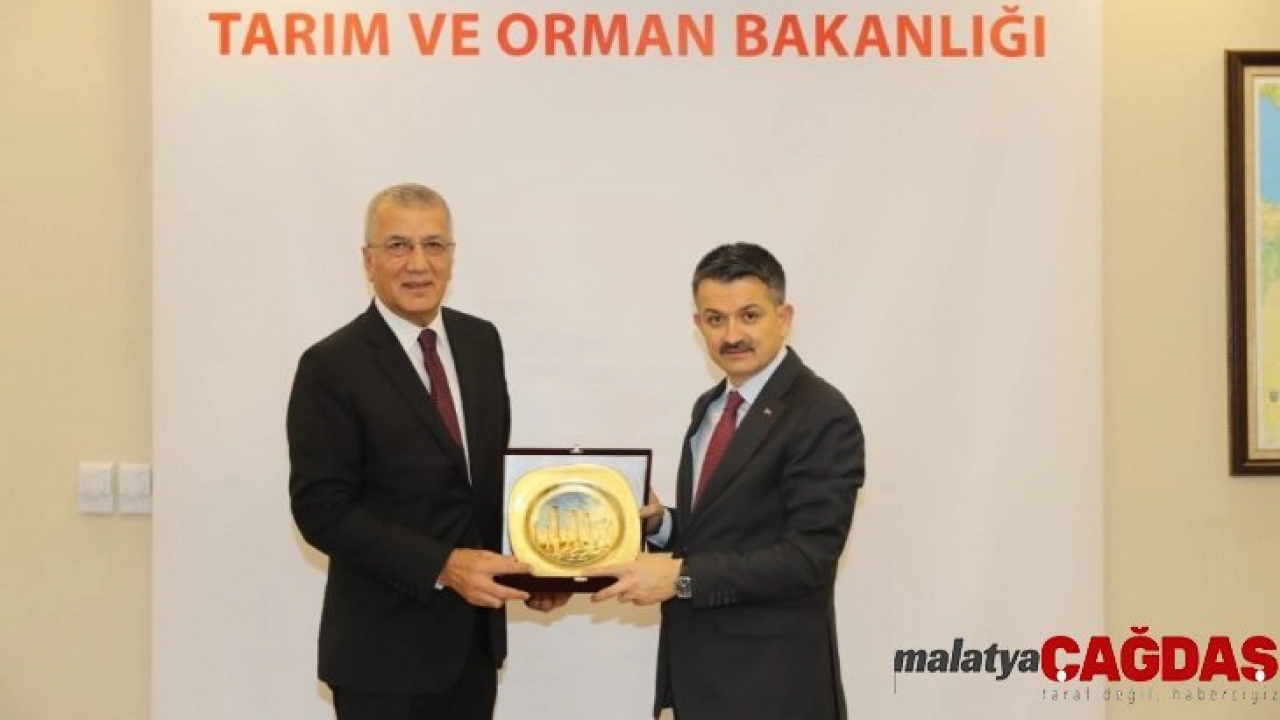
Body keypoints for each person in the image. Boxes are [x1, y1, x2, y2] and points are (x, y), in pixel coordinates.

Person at [287, 183, 567, 720]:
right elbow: (322, 511)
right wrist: (443, 566)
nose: (418, 263)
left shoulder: (481, 342)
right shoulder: (331, 366)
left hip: (473, 652)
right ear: (368, 261)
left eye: (434, 245)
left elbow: (486, 483)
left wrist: (532, 568)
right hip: (382, 659)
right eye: (398, 246)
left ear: (452, 256)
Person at [585, 242, 866, 720]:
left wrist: (680, 576)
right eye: (716, 319)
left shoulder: (822, 413)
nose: (732, 335)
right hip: (698, 681)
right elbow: (725, 530)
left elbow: (809, 558)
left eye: (749, 316)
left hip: (772, 688)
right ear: (698, 325)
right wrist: (661, 525)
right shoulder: (711, 407)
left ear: (784, 317)